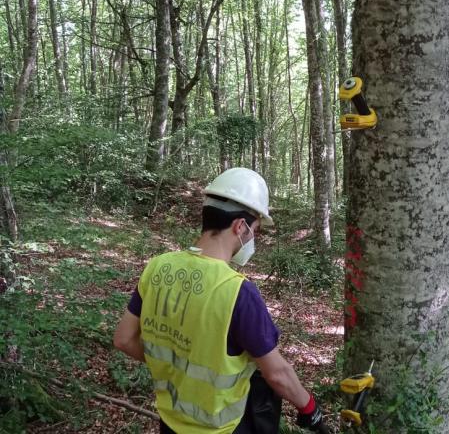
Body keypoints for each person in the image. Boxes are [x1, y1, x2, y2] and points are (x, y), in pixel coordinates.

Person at [113, 168, 325, 433]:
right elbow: (277, 374)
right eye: (255, 230)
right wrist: (309, 408)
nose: (252, 239)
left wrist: (173, 367)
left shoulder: (158, 268)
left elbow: (123, 339)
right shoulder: (237, 291)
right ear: (240, 226)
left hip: (169, 422)